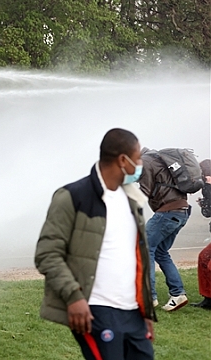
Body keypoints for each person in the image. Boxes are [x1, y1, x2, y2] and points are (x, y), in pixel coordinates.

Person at [35, 128, 156, 360]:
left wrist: (145, 312)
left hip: (133, 313)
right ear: (123, 160)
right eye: (138, 157)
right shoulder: (72, 196)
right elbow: (47, 253)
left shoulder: (132, 199)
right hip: (96, 311)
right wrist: (74, 297)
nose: (140, 163)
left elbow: (137, 257)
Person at [138, 147, 191, 311]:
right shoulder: (160, 161)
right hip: (181, 211)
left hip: (167, 213)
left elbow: (143, 191)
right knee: (160, 251)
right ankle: (178, 294)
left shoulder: (145, 162)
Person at [192, 159, 211, 309]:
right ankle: (208, 299)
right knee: (203, 258)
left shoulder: (208, 187)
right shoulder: (207, 188)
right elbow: (208, 212)